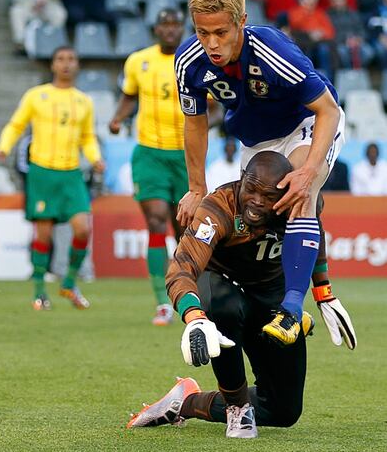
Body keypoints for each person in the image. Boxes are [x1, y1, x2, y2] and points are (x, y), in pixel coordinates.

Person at [127, 151, 356, 438]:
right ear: (241, 180)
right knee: (221, 302)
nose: (257, 201)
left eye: (268, 195)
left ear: (284, 192)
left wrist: (324, 291)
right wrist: (194, 316)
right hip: (223, 291)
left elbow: (314, 233)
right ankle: (236, 407)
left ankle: (184, 402)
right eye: (251, 189)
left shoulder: (300, 202)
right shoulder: (219, 207)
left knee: (283, 411)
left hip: (272, 301)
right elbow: (181, 268)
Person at [174, 0, 345, 345]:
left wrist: (309, 172)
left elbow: (328, 111)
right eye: (203, 33)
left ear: (241, 21)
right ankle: (283, 302)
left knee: (298, 191)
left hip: (306, 122)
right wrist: (196, 187)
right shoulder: (188, 62)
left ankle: (293, 309)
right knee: (255, 217)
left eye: (221, 32)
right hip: (256, 140)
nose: (211, 44)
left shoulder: (272, 49)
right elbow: (195, 123)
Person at [0, 46, 105, 311]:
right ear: (52, 65)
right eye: (60, 59)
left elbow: (87, 136)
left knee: (83, 228)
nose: (66, 64)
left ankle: (68, 281)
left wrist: (96, 157)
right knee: (43, 234)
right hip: (42, 172)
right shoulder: (36, 96)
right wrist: (3, 147)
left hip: (71, 173)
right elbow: (16, 125)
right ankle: (40, 291)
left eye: (71, 59)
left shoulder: (84, 101)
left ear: (77, 65)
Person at [108, 9, 188, 326]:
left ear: (182, 29)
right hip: (150, 154)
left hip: (185, 155)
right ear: (155, 29)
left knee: (185, 229)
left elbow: (213, 104)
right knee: (156, 222)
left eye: (175, 25)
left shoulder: (193, 59)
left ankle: (188, 295)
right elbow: (130, 95)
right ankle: (161, 303)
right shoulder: (138, 61)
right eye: (164, 25)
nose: (170, 30)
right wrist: (118, 117)